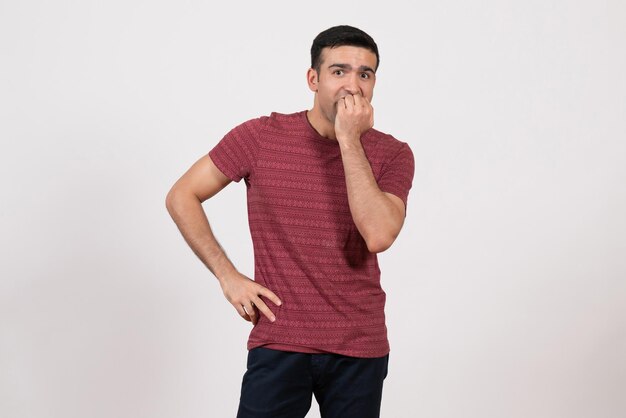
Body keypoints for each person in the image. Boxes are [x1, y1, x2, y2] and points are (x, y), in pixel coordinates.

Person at [166, 25, 415, 418]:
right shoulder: (261, 136)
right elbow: (182, 195)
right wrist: (228, 276)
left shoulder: (392, 154)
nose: (353, 85)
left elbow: (379, 234)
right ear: (312, 79)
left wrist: (350, 140)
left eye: (364, 74)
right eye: (339, 71)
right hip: (281, 338)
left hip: (359, 344)